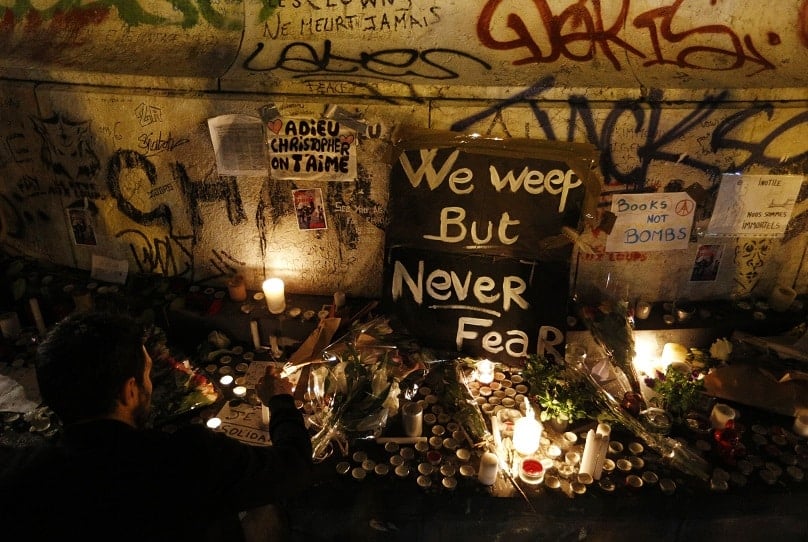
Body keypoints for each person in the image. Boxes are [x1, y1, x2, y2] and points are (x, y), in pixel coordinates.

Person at [0, 311, 312, 542]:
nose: (151, 384)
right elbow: (293, 468)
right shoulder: (186, 458)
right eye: (148, 374)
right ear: (129, 391)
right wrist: (280, 402)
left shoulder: (21, 475)